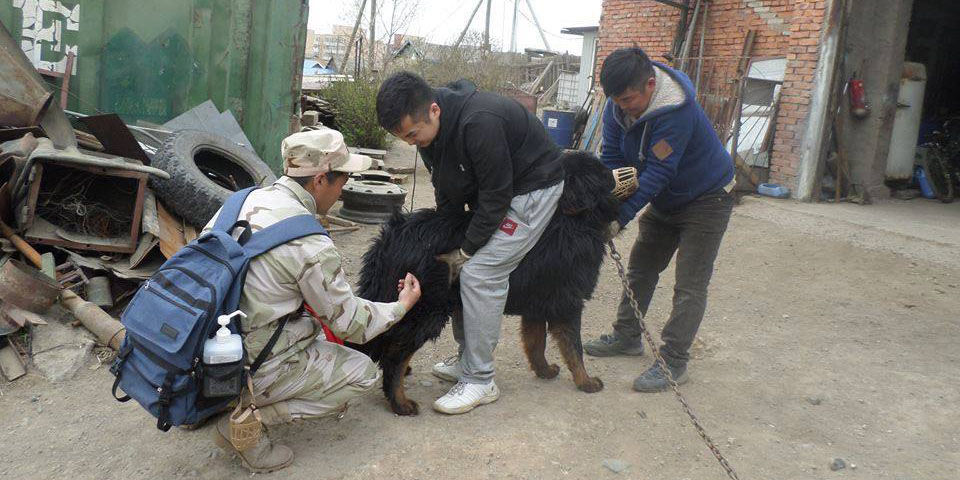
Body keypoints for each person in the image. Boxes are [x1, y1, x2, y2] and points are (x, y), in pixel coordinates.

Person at [205, 128, 422, 472]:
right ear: (320, 179)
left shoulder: (241, 201)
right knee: (362, 373)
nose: (343, 190)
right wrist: (402, 305)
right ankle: (246, 427)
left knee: (306, 324)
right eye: (343, 179)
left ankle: (212, 398)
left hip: (206, 348)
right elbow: (352, 325)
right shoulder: (308, 242)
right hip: (248, 363)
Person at [376, 71, 564, 415]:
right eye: (404, 139)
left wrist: (465, 250)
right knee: (453, 267)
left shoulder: (480, 122)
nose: (412, 143)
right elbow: (447, 189)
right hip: (497, 189)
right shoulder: (430, 135)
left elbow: (496, 199)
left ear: (434, 110)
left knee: (479, 272)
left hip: (531, 190)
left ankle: (480, 379)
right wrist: (443, 238)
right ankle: (467, 359)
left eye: (413, 135)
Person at [583, 47, 735, 392]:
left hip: (708, 197)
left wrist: (621, 217)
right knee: (642, 267)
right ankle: (627, 336)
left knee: (689, 285)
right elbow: (613, 160)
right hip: (667, 197)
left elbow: (658, 172)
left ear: (650, 85)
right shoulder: (617, 107)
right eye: (616, 100)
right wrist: (607, 206)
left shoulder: (676, 109)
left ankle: (674, 361)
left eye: (628, 99)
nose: (622, 106)